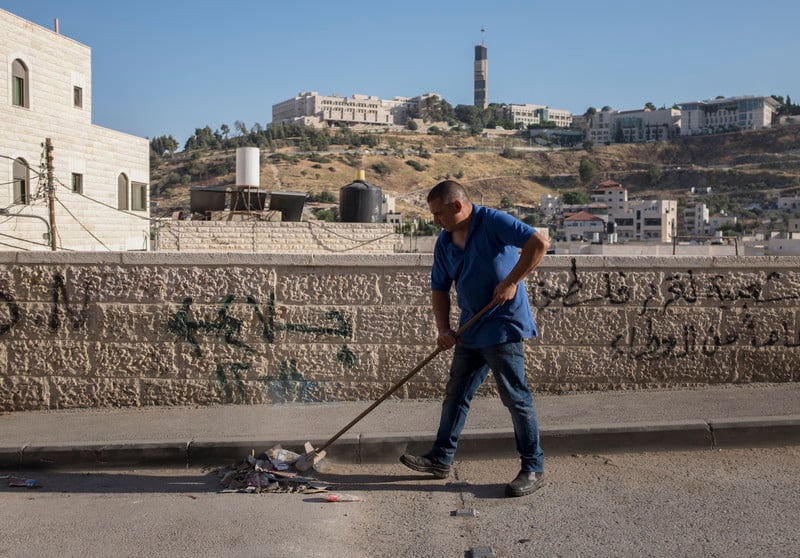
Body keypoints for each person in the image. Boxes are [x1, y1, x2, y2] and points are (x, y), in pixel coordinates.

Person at [400, 179, 550, 497]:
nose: (436, 221)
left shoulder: (493, 221)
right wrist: (443, 330)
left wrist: (512, 282)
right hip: (470, 329)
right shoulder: (445, 243)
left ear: (457, 206)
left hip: (503, 326)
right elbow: (439, 288)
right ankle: (440, 459)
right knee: (456, 395)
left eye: (439, 214)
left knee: (515, 398)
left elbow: (538, 243)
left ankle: (533, 467)